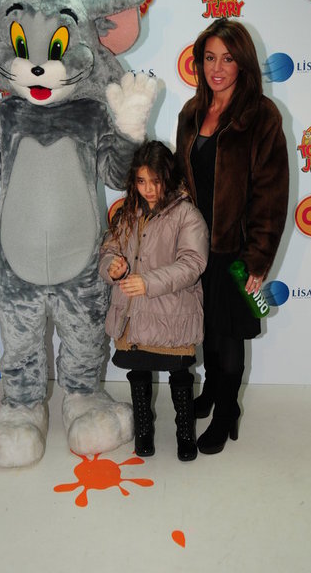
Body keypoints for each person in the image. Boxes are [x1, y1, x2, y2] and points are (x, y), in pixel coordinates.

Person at [176, 19, 289, 455]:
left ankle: (227, 413)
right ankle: (211, 393)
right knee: (205, 329)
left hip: (235, 249)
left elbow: (271, 194)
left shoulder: (261, 115)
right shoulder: (191, 112)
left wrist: (258, 259)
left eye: (227, 59)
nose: (217, 68)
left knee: (229, 336)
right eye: (209, 58)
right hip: (195, 247)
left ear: (242, 63)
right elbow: (182, 180)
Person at [99, 141, 209, 461]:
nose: (148, 189)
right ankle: (143, 429)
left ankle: (185, 433)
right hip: (133, 313)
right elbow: (108, 250)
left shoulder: (187, 214)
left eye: (156, 181)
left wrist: (148, 282)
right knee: (138, 372)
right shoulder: (127, 213)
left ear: (168, 177)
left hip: (173, 312)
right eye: (141, 181)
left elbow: (193, 263)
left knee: (180, 375)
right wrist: (112, 266)